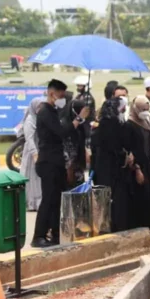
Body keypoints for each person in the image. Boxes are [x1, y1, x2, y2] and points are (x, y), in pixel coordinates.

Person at [32, 79, 89, 247]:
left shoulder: (53, 110)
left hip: (56, 163)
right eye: (61, 95)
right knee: (48, 200)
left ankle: (56, 233)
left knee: (57, 200)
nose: (63, 99)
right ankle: (39, 236)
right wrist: (79, 118)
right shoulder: (45, 111)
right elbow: (61, 132)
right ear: (52, 93)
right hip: (48, 162)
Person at [124, 96, 150, 232]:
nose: (145, 112)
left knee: (149, 195)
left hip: (148, 164)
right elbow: (130, 149)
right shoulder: (129, 125)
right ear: (135, 109)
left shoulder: (146, 121)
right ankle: (140, 227)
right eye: (142, 109)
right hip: (138, 167)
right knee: (140, 195)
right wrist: (137, 169)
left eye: (147, 109)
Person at [94, 93, 131, 232]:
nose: (123, 111)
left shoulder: (107, 121)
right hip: (109, 167)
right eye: (122, 108)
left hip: (107, 165)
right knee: (112, 197)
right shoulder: (110, 123)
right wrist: (125, 155)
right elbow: (113, 145)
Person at [20, 97, 45, 211]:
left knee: (38, 179)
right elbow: (29, 139)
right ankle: (31, 203)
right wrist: (35, 154)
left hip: (40, 150)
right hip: (32, 153)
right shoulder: (30, 120)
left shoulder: (40, 118)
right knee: (31, 178)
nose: (40, 109)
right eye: (39, 106)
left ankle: (38, 203)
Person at [62, 99, 88, 189]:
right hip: (68, 167)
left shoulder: (81, 125)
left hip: (77, 166)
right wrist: (69, 168)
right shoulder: (65, 124)